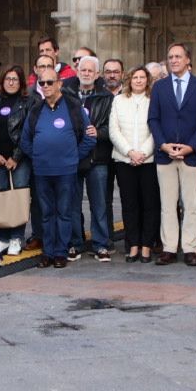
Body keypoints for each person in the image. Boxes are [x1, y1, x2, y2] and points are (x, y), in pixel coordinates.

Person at [21, 68, 95, 268]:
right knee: (46, 213)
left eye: (49, 82)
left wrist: (73, 158)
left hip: (66, 171)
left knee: (64, 212)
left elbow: (89, 137)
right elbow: (25, 139)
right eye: (42, 83)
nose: (45, 86)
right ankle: (48, 251)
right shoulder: (36, 110)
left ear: (59, 84)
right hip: (42, 171)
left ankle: (61, 252)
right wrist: (36, 156)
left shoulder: (74, 107)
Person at [148, 43, 196, 266]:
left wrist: (191, 146)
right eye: (170, 57)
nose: (173, 60)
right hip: (165, 155)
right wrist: (163, 145)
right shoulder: (159, 87)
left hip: (191, 155)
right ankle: (168, 248)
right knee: (167, 204)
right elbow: (153, 119)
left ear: (187, 60)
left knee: (192, 204)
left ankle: (190, 248)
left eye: (178, 56)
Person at [111, 65, 159, 263]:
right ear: (129, 80)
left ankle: (147, 245)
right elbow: (114, 130)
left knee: (149, 204)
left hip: (148, 161)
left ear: (147, 80)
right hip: (125, 160)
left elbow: (157, 128)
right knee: (129, 205)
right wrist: (130, 152)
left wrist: (144, 153)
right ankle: (133, 245)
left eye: (142, 77)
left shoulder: (154, 100)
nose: (138, 81)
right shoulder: (118, 100)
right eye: (135, 77)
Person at [71, 55, 114, 261]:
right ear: (77, 71)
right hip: (73, 157)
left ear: (97, 74)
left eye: (90, 71)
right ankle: (75, 243)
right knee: (72, 203)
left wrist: (99, 132)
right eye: (83, 70)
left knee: (99, 204)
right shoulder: (67, 94)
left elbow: (112, 127)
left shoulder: (107, 97)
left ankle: (100, 244)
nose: (86, 73)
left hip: (98, 157)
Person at [0, 65, 32, 257]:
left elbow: (27, 132)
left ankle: (16, 236)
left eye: (15, 79)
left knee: (18, 196)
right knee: (0, 196)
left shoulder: (27, 102)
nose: (11, 82)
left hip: (19, 158)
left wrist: (15, 157)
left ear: (21, 82)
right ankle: (2, 236)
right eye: (7, 79)